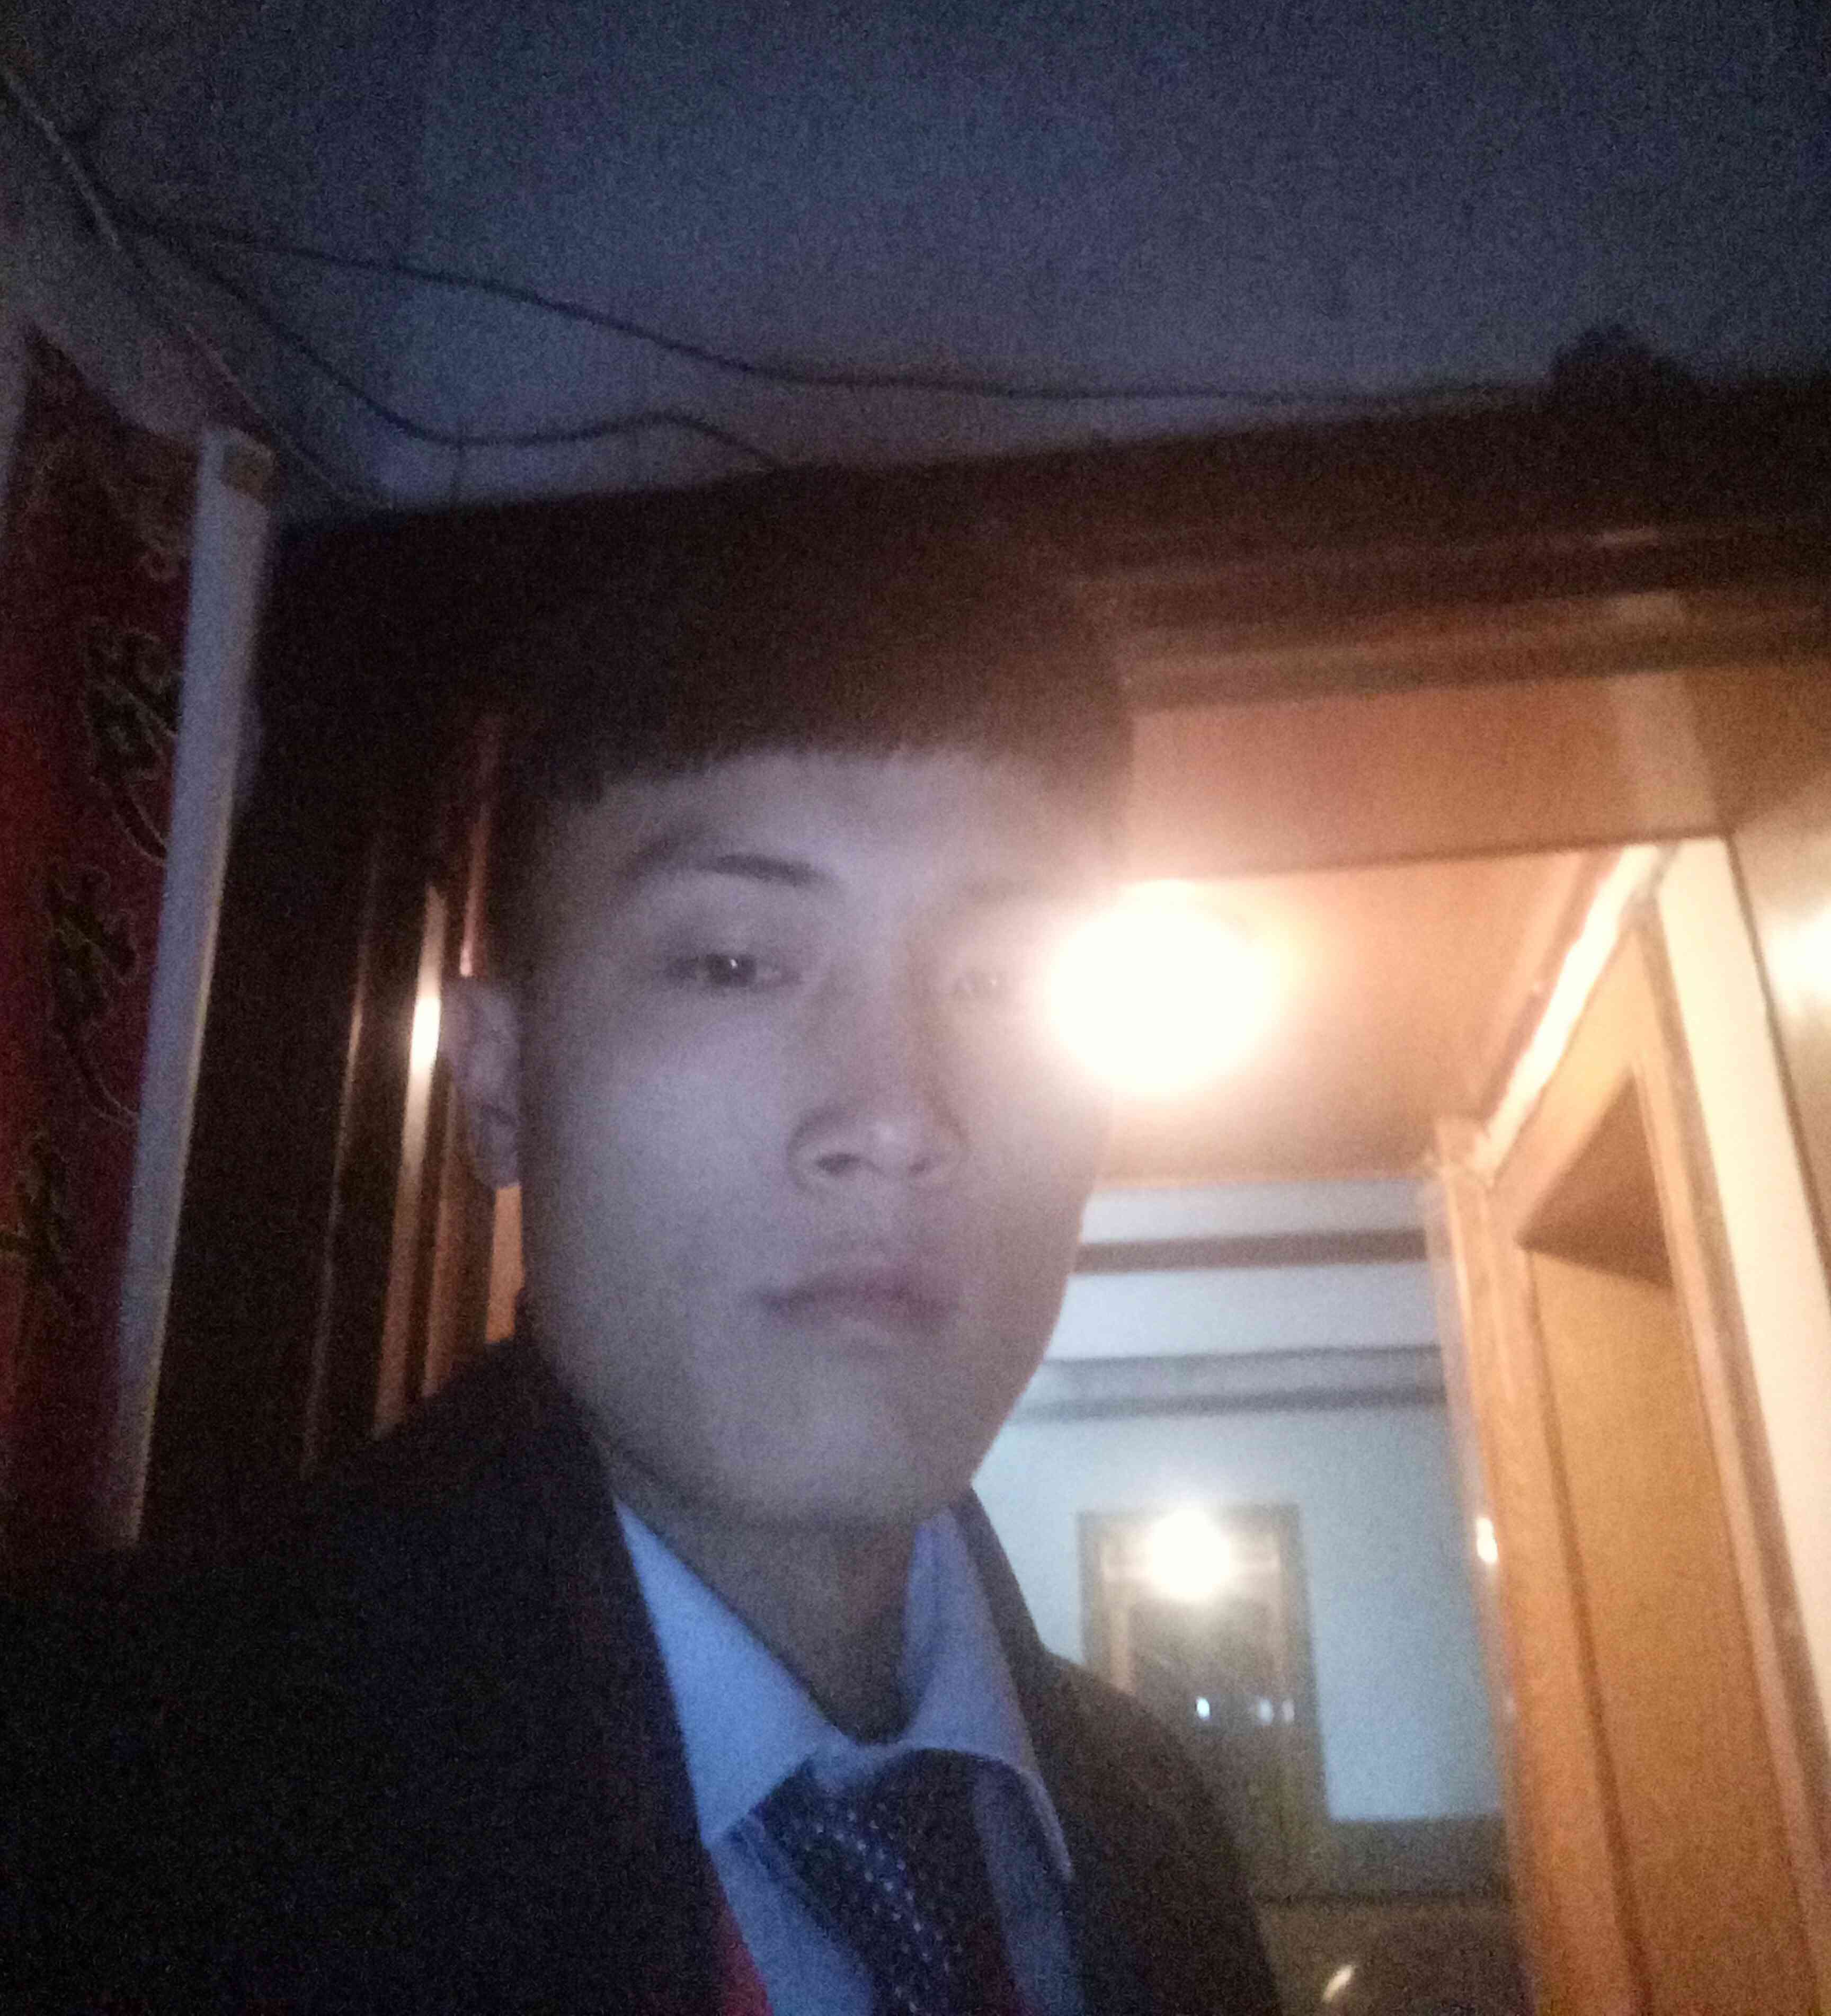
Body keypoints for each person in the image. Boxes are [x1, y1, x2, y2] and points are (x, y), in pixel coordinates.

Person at [3, 479, 1278, 2014]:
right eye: (733, 962)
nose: (895, 1116)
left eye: (1005, 983)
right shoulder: (109, 1803)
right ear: (496, 1083)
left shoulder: (1154, 1827)